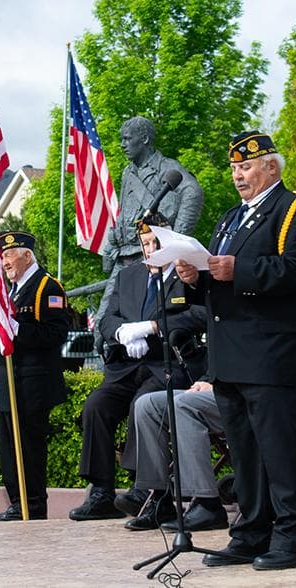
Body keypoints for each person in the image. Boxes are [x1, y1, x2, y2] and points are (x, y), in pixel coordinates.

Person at [176, 131, 296, 570]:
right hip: (233, 357)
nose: (238, 175)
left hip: (279, 356)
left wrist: (238, 269)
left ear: (271, 167)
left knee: (281, 453)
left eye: (246, 166)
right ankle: (250, 534)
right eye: (233, 168)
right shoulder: (231, 218)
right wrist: (196, 279)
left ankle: (295, 539)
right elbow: (220, 279)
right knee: (246, 454)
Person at [69, 216, 206, 521]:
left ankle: (145, 490)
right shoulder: (128, 276)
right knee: (96, 406)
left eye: (156, 242)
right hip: (127, 365)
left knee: (141, 405)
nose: (151, 249)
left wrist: (153, 327)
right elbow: (107, 318)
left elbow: (201, 315)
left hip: (166, 364)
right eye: (146, 244)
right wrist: (122, 333)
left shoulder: (186, 273)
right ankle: (102, 492)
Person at [95, 116, 204, 349]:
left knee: (144, 316)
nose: (122, 144)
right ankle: (112, 363)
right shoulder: (128, 172)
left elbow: (193, 193)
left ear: (144, 139)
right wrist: (111, 244)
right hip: (125, 255)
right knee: (104, 322)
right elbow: (124, 212)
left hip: (152, 255)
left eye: (127, 139)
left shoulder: (167, 167)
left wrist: (175, 242)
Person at [0, 231, 69, 521]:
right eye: (2, 256)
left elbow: (57, 333)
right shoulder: (10, 290)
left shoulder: (47, 286)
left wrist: (19, 330)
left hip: (33, 383)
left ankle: (32, 505)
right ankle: (17, 502)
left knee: (30, 449)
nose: (5, 262)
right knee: (9, 448)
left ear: (27, 255)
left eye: (9, 255)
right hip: (9, 381)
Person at [120, 377, 229, 532]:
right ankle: (161, 500)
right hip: (216, 385)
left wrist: (218, 384)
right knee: (146, 404)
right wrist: (205, 380)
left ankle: (208, 505)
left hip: (240, 390)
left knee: (183, 404)